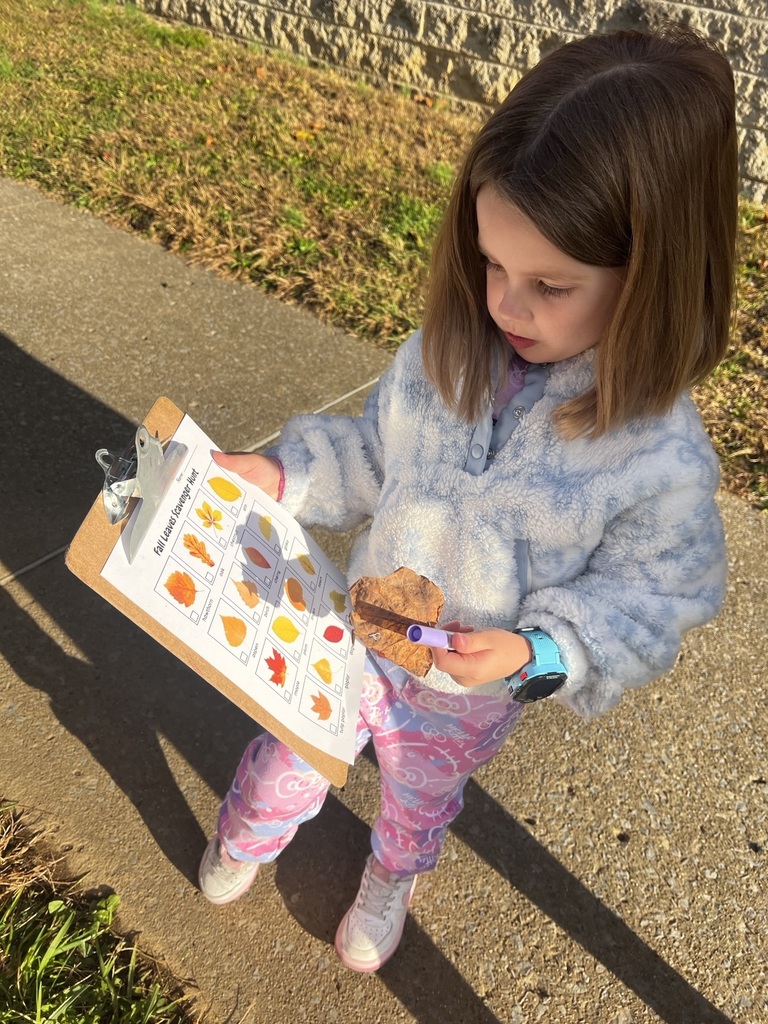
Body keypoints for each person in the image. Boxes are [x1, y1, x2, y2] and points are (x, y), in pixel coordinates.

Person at [198, 26, 738, 972]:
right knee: (287, 753)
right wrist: (288, 475)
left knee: (418, 799)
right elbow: (376, 454)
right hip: (359, 629)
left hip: (466, 691)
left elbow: (651, 601)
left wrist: (537, 651)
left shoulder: (655, 458)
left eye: (550, 285)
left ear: (650, 280)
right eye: (491, 263)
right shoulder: (445, 354)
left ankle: (391, 876)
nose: (506, 306)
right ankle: (248, 832)